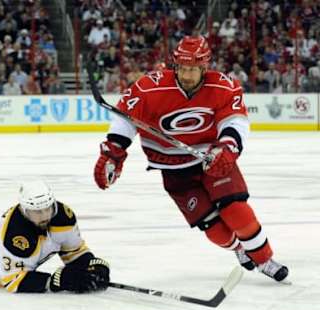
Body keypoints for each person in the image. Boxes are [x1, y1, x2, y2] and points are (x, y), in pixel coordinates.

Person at [93, 36, 289, 282]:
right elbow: (126, 118)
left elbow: (235, 121)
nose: (186, 75)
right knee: (214, 230)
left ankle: (265, 260)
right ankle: (240, 249)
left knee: (236, 210)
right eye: (182, 68)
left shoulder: (223, 87)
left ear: (204, 67)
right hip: (173, 169)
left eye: (193, 69)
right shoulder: (149, 87)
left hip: (214, 160)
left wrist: (227, 149)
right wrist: (113, 151)